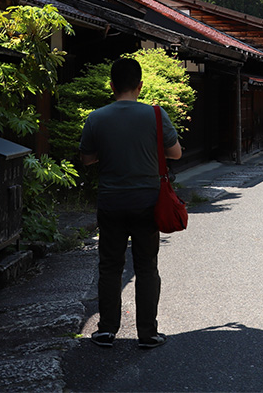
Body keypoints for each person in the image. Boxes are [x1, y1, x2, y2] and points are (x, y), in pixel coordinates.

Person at [80, 57, 182, 349]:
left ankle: (106, 329)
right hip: (147, 201)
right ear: (140, 85)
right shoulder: (155, 114)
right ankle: (147, 332)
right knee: (146, 266)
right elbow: (175, 153)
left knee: (110, 266)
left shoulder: (96, 118)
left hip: (111, 202)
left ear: (111, 86)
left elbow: (87, 159)